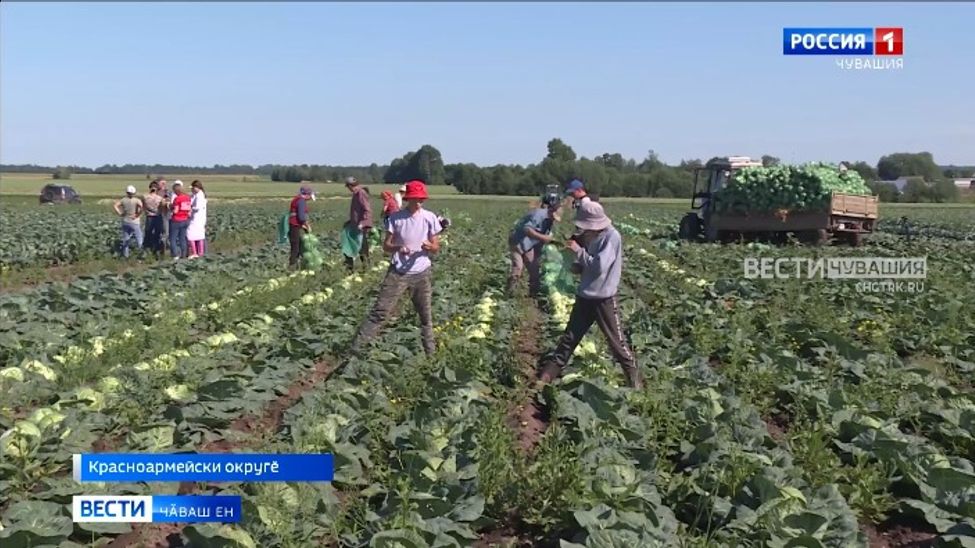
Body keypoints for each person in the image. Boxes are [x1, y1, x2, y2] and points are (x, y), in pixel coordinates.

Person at [537, 200, 644, 389]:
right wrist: (575, 264)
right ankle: (545, 378)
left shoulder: (611, 236)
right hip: (585, 296)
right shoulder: (589, 235)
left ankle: (636, 383)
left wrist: (578, 252)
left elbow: (599, 267)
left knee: (617, 343)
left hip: (604, 299)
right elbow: (586, 264)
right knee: (569, 339)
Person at [351, 180, 442, 356]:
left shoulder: (430, 218)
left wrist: (430, 247)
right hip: (398, 273)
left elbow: (436, 247)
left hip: (421, 273)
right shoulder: (396, 218)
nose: (420, 201)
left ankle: (431, 355)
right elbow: (386, 246)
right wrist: (398, 248)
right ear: (409, 198)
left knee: (425, 316)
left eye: (422, 198)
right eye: (416, 198)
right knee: (380, 311)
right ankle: (356, 349)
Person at [507, 197, 562, 297]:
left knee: (534, 269)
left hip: (529, 245)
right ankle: (509, 294)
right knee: (518, 267)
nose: (554, 220)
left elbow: (545, 237)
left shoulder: (549, 221)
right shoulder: (538, 214)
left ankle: (534, 295)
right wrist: (543, 238)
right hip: (517, 242)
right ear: (551, 211)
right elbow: (527, 229)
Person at [345, 176, 374, 272]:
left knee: (362, 247)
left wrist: (363, 223)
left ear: (350, 186)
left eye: (348, 187)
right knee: (359, 246)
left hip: (360, 226)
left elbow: (367, 209)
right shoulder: (356, 193)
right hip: (356, 225)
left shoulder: (360, 193)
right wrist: (351, 221)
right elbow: (357, 211)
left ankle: (366, 267)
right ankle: (359, 267)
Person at [288, 185, 314, 269]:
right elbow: (301, 216)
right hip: (294, 225)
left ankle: (297, 265)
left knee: (298, 245)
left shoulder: (297, 199)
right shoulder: (301, 201)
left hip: (294, 225)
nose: (310, 198)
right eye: (310, 196)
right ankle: (292, 266)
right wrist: (307, 225)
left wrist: (303, 225)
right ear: (307, 194)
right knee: (296, 247)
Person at [114, 185, 144, 258]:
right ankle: (141, 254)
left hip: (125, 221)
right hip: (134, 222)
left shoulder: (123, 200)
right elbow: (142, 208)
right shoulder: (137, 200)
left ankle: (126, 255)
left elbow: (115, 206)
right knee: (139, 238)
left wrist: (120, 213)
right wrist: (137, 215)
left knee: (126, 238)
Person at [168, 181, 192, 260]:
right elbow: (189, 209)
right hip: (185, 219)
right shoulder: (187, 198)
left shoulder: (177, 199)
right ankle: (184, 254)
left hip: (176, 220)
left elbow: (175, 211)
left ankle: (175, 255)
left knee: (173, 239)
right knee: (182, 238)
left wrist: (170, 207)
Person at [142, 181, 165, 258]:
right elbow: (162, 208)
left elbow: (143, 207)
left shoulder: (145, 197)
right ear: (157, 189)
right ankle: (156, 250)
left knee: (148, 233)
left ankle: (146, 250)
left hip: (149, 217)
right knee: (157, 234)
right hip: (158, 217)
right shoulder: (160, 198)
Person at [186, 180, 208, 258]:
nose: (192, 190)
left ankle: (195, 252)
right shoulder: (198, 195)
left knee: (190, 234)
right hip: (199, 218)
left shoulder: (199, 196)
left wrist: (190, 208)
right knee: (199, 235)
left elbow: (197, 207)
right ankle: (200, 252)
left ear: (197, 187)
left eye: (193, 188)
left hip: (197, 218)